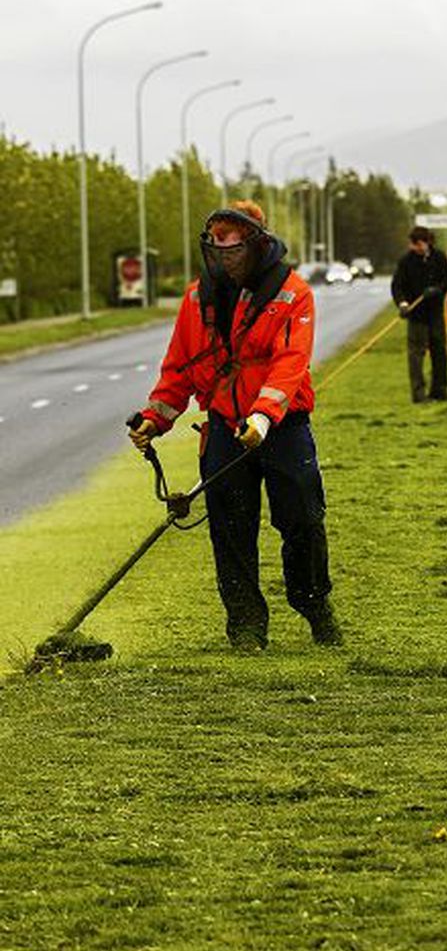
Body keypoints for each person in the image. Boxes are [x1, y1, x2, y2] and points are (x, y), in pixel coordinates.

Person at [129, 200, 341, 653]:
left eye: (234, 250)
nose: (226, 259)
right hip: (225, 425)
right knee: (229, 526)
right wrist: (155, 419)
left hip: (282, 425)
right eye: (218, 250)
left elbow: (289, 364)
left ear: (256, 243)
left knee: (303, 517)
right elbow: (180, 368)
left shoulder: (293, 294)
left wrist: (264, 414)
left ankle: (314, 606)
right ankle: (246, 625)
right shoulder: (196, 299)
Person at [391, 226, 447, 402]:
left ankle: (440, 390)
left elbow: (446, 282)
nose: (414, 248)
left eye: (417, 244)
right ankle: (419, 394)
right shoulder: (406, 261)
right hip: (416, 316)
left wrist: (437, 290)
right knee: (416, 356)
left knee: (439, 353)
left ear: (426, 242)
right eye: (412, 244)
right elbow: (397, 286)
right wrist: (402, 303)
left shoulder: (439, 258)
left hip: (435, 314)